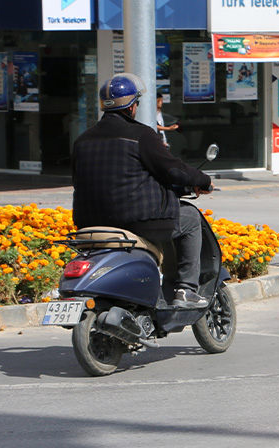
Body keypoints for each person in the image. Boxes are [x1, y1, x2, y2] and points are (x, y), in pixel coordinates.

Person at [72, 73, 213, 309]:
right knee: (190, 218)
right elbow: (173, 170)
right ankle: (186, 290)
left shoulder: (82, 140)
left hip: (89, 222)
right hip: (138, 221)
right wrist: (203, 180)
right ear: (131, 106)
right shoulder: (142, 135)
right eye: (136, 102)